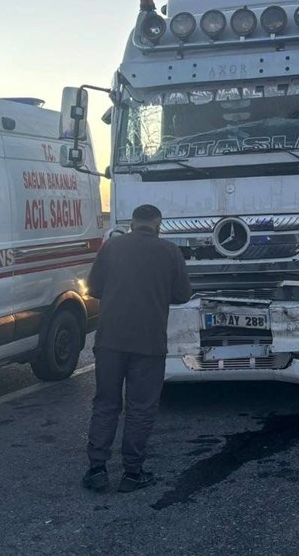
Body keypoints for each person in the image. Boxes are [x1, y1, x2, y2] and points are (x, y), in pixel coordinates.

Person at [83, 204, 192, 493]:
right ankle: (132, 473)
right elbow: (183, 294)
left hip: (109, 340)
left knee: (105, 403)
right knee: (140, 407)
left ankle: (96, 470)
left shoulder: (111, 248)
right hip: (149, 341)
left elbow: (94, 289)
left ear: (132, 223)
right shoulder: (170, 252)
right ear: (158, 223)